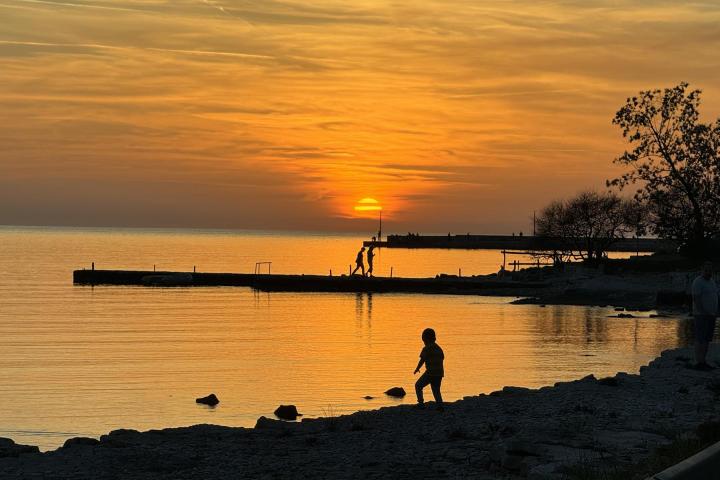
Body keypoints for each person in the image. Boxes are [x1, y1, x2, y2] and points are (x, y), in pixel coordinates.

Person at [692, 261, 718, 370]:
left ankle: (703, 361)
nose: (708, 272)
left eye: (710, 270)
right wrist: (702, 312)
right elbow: (696, 299)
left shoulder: (712, 281)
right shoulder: (698, 282)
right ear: (702, 270)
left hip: (712, 315)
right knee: (700, 338)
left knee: (707, 339)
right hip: (701, 315)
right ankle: (699, 362)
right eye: (706, 270)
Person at [413, 328, 444, 411]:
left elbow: (422, 359)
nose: (424, 342)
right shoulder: (439, 348)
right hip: (439, 373)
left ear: (426, 339)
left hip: (430, 373)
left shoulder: (426, 348)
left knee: (418, 385)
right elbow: (442, 358)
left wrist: (417, 368)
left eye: (424, 340)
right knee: (436, 390)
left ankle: (421, 404)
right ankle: (440, 405)